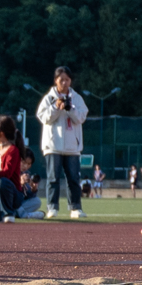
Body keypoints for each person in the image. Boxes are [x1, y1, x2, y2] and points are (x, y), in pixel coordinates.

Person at [35, 66, 88, 219]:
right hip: (53, 146)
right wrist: (55, 107)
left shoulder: (76, 98)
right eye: (61, 80)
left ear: (71, 81)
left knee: (73, 178)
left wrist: (70, 108)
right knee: (53, 178)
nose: (64, 83)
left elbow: (81, 117)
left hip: (72, 146)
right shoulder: (48, 98)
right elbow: (44, 118)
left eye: (67, 80)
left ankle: (75, 208)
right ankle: (52, 208)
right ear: (55, 81)